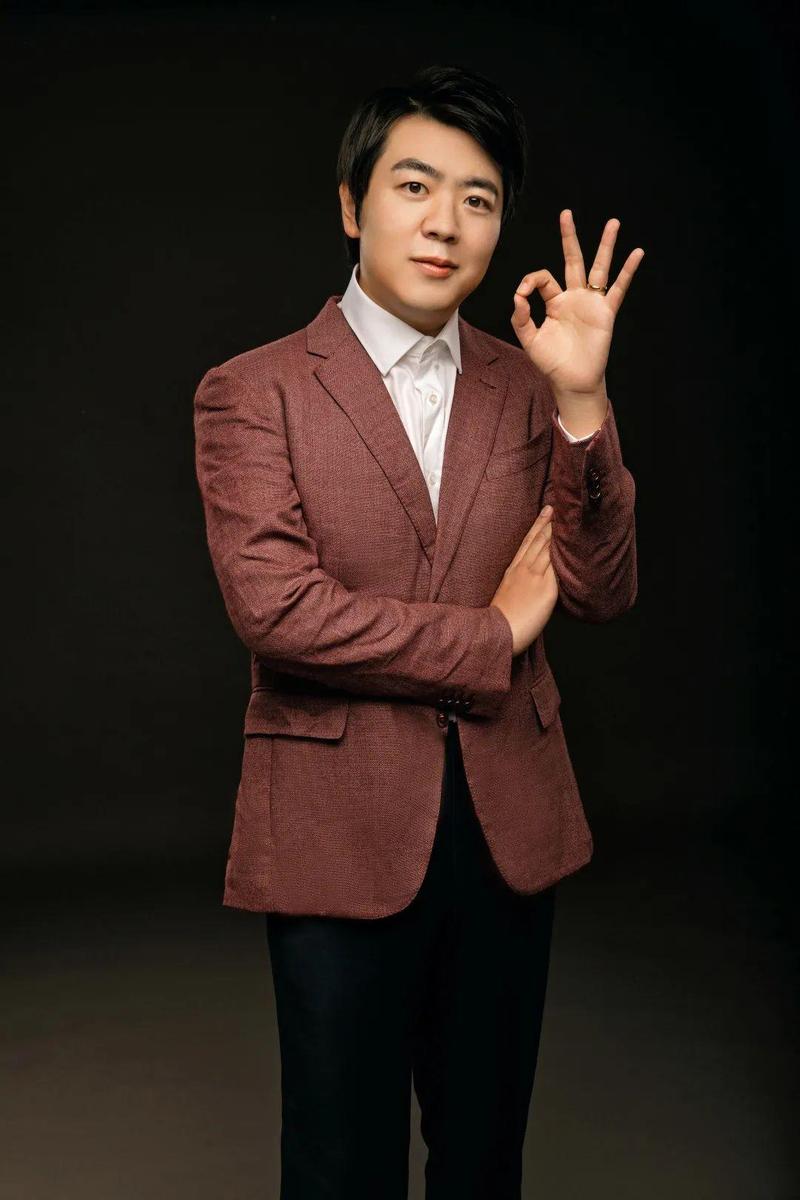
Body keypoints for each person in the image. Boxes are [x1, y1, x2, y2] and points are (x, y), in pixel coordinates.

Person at [193, 62, 641, 1200]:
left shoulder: (531, 384)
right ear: (353, 204)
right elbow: (277, 611)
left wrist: (582, 403)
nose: (444, 222)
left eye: (477, 199)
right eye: (414, 186)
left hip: (508, 826)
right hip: (336, 828)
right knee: (339, 1166)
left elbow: (599, 590)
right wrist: (491, 636)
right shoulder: (252, 391)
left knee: (484, 1161)